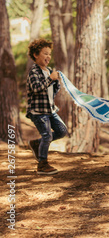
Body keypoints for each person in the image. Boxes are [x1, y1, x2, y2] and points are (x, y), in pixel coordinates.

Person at [26, 39, 68, 175]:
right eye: (45, 54)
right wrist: (50, 78)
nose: (48, 57)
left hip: (50, 109)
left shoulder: (49, 70)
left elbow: (52, 92)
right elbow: (37, 88)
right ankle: (42, 164)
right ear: (35, 55)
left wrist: (56, 82)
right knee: (47, 135)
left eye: (49, 54)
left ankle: (36, 144)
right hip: (38, 112)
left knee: (62, 131)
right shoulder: (34, 72)